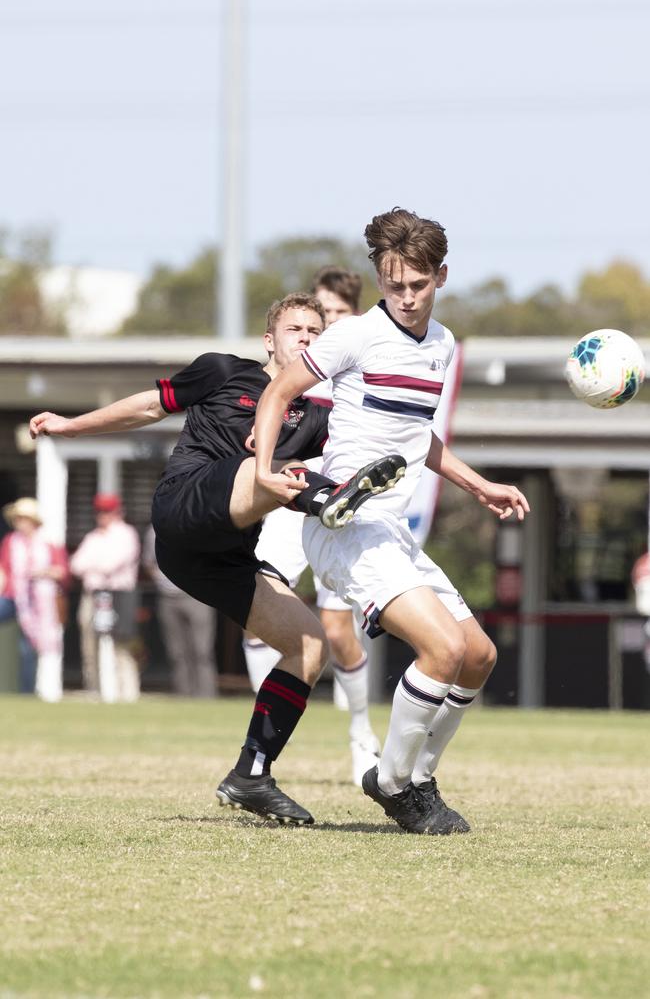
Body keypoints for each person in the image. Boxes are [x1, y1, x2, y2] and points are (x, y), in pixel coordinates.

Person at [29, 291, 404, 826]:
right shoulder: (224, 372)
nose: (306, 338)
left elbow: (410, 435)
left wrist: (477, 482)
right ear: (269, 341)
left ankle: (251, 773)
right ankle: (327, 500)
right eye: (295, 329)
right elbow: (145, 406)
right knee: (272, 468)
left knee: (311, 646)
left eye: (316, 333)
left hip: (220, 558)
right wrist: (71, 427)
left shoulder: (324, 413)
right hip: (183, 510)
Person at [253, 207, 530, 834]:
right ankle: (393, 782)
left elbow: (417, 437)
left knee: (478, 657)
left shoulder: (443, 345)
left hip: (391, 530)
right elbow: (277, 394)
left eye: (418, 284)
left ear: (442, 276)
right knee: (443, 647)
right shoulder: (353, 337)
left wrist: (479, 484)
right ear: (380, 279)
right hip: (343, 523)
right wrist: (269, 468)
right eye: (393, 284)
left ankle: (417, 777)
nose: (405, 298)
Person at [244, 266, 382, 786]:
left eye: (329, 321)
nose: (314, 337)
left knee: (337, 631)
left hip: (336, 502)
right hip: (287, 500)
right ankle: (265, 745)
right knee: (262, 611)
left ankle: (361, 735)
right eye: (306, 326)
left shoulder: (359, 358)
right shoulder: (291, 369)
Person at [69, 493, 141, 702]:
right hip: (93, 595)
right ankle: (96, 689)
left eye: (107, 511)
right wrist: (96, 566)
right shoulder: (93, 537)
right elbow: (76, 564)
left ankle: (127, 692)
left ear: (118, 511)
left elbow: (113, 564)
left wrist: (94, 565)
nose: (103, 515)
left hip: (118, 595)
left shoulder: (126, 534)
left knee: (121, 644)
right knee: (90, 645)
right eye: (100, 511)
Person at [0, 497, 69, 701]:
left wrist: (42, 572)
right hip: (14, 597)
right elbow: (4, 569)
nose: (20, 523)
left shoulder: (48, 543)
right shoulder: (11, 542)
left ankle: (27, 693)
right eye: (18, 519)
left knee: (27, 650)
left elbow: (62, 571)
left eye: (24, 518)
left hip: (40, 602)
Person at [142, 524, 218, 697]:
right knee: (177, 653)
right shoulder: (153, 531)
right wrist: (159, 579)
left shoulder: (200, 526)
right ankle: (184, 696)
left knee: (202, 651)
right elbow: (148, 562)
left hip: (198, 596)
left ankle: (206, 698)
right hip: (167, 598)